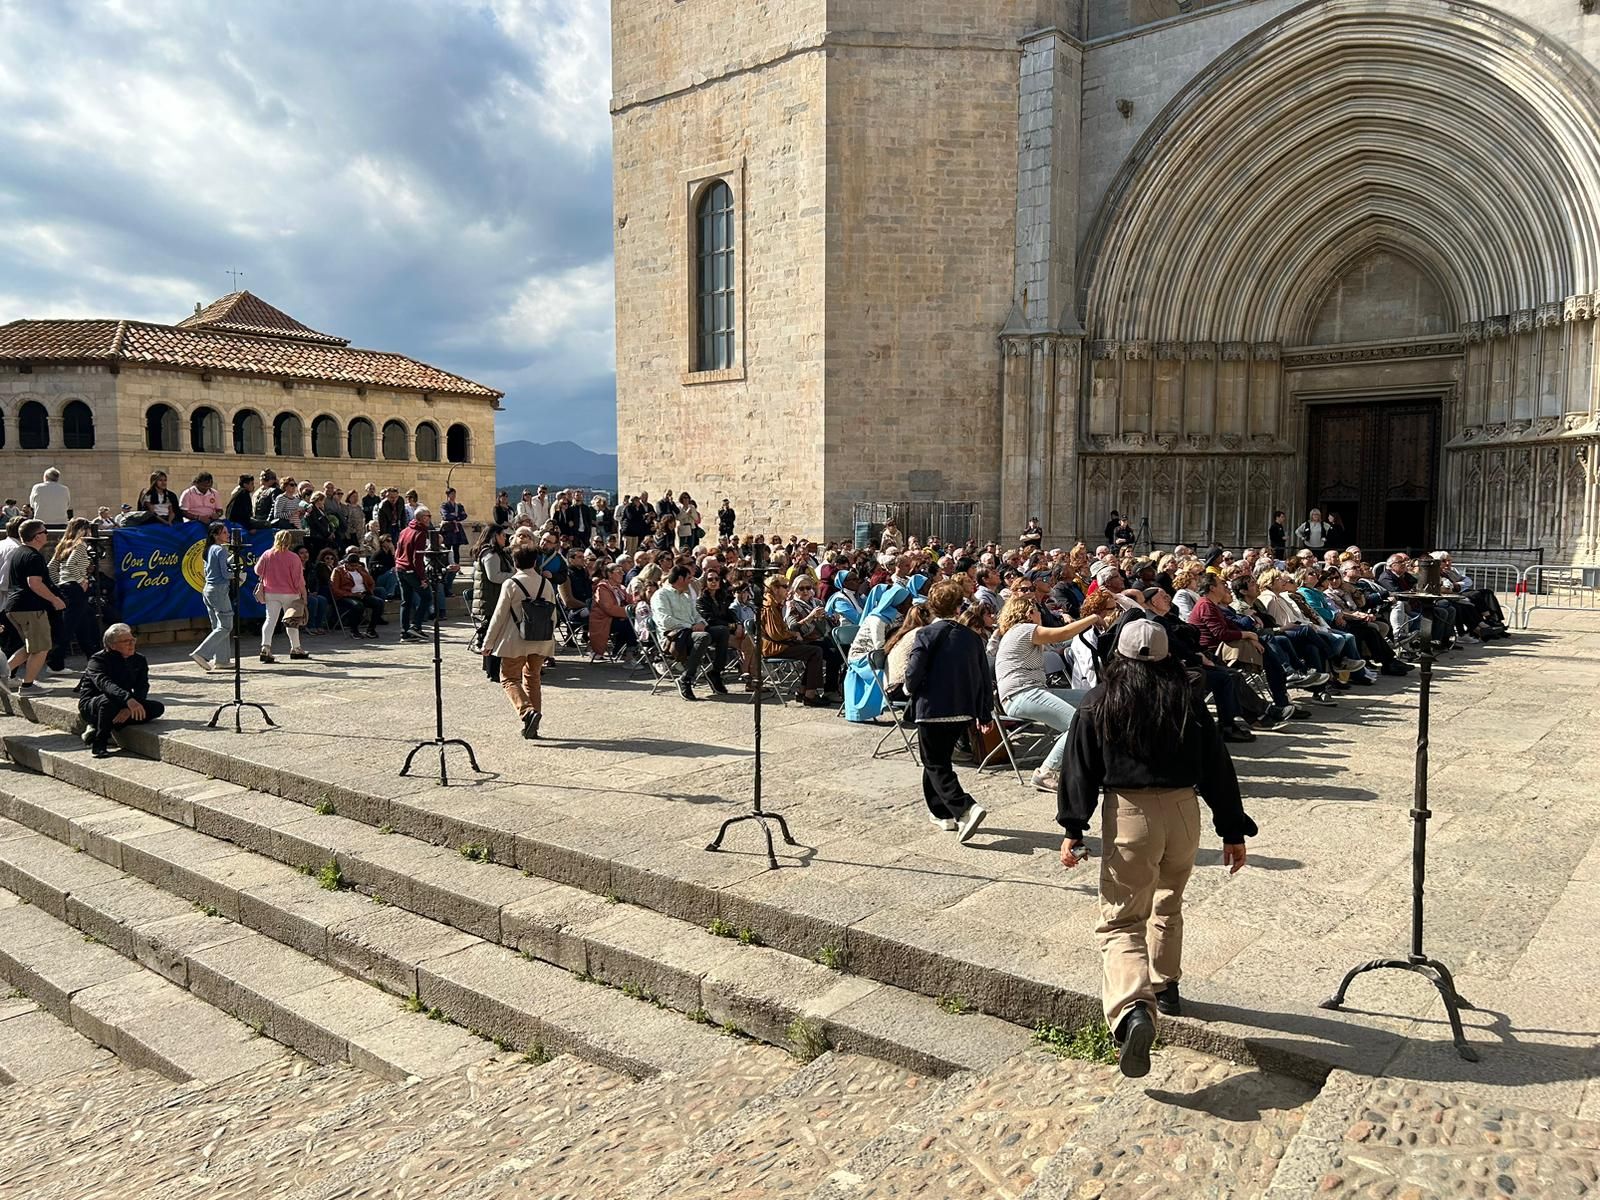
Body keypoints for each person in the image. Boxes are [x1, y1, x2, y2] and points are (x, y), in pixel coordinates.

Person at [1058, 619, 1255, 1078]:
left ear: (1119, 656)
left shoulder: (1097, 702)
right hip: (1185, 810)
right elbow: (1218, 768)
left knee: (1122, 918)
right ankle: (1166, 985)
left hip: (1130, 813)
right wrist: (1232, 830)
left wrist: (1073, 827)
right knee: (1169, 899)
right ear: (1168, 656)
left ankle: (1132, 1009)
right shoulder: (1187, 700)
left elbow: (1079, 767)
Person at [905, 580, 992, 841]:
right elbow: (983, 677)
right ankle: (941, 813)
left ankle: (965, 806)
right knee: (937, 760)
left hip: (932, 708)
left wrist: (909, 688)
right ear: (958, 607)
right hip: (963, 709)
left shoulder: (926, 635)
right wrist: (984, 711)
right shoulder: (972, 638)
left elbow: (913, 673)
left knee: (935, 762)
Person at [992, 594, 1105, 792]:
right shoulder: (1023, 629)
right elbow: (1062, 634)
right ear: (1028, 613)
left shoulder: (1019, 633)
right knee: (1076, 724)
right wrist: (1093, 617)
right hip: (1021, 694)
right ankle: (1046, 772)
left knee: (1096, 698)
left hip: (1033, 691)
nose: (1041, 615)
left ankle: (1097, 762)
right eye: (1038, 611)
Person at [481, 544, 557, 738]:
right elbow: (553, 615)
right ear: (535, 562)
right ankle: (534, 725)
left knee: (509, 678)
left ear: (515, 562)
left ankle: (527, 712)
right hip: (541, 638)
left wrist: (488, 643)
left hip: (516, 639)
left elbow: (499, 616)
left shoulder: (511, 583)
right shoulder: (545, 583)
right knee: (533, 678)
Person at [76, 624, 164, 758]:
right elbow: (106, 684)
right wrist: (128, 700)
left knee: (157, 708)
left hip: (123, 703)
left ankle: (102, 725)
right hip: (94, 703)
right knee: (108, 702)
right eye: (126, 641)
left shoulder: (139, 659)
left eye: (132, 640)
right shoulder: (98, 660)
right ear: (112, 645)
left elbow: (142, 686)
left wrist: (130, 707)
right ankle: (100, 743)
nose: (131, 644)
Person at [0, 520, 65, 693]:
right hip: (30, 607)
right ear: (36, 537)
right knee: (42, 647)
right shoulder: (33, 556)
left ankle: (2, 675)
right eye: (44, 532)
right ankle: (28, 686)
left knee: (31, 647)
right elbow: (34, 583)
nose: (47, 534)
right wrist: (54, 599)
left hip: (14, 607)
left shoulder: (18, 553)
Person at [652, 564, 730, 700]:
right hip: (673, 637)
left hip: (690, 633)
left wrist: (701, 623)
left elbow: (696, 615)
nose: (691, 581)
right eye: (689, 578)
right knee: (703, 636)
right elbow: (664, 620)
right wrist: (690, 626)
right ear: (680, 578)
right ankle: (686, 678)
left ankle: (715, 673)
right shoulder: (661, 595)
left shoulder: (686, 597)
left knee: (722, 631)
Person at [255, 530, 310, 663]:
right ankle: (296, 648)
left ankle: (265, 647)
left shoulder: (267, 554)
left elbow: (257, 570)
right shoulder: (293, 557)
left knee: (270, 620)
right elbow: (298, 580)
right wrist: (304, 594)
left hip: (271, 592)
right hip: (290, 593)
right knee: (292, 621)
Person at [470, 525, 513, 681]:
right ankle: (492, 671)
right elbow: (494, 576)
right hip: (490, 601)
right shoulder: (490, 554)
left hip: (491, 599)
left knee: (492, 635)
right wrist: (513, 575)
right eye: (503, 535)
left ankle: (490, 668)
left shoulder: (497, 553)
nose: (505, 538)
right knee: (494, 635)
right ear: (495, 536)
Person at [191, 522, 234, 671]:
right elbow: (224, 573)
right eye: (224, 533)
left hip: (208, 589)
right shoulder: (220, 550)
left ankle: (222, 660)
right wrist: (237, 575)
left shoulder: (209, 549)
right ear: (215, 535)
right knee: (226, 625)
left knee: (218, 626)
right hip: (219, 590)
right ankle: (201, 653)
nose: (227, 535)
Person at [395, 507, 435, 641]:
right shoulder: (420, 533)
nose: (429, 518)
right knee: (427, 596)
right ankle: (416, 626)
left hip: (400, 568)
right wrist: (422, 578)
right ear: (419, 518)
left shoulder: (405, 530)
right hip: (410, 570)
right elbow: (416, 558)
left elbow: (398, 551)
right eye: (427, 516)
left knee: (406, 601)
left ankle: (404, 633)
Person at [331, 548, 384, 637]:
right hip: (346, 596)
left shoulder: (361, 569)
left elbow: (371, 582)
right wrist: (352, 594)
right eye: (351, 566)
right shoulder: (338, 571)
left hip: (362, 594)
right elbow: (335, 589)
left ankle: (371, 630)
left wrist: (369, 591)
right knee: (358, 606)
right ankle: (354, 630)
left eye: (355, 566)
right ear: (346, 563)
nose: (354, 568)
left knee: (379, 603)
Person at [440, 488, 468, 564]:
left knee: (456, 549)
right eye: (452, 494)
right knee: (447, 548)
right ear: (448, 495)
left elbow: (464, 515)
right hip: (448, 528)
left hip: (456, 528)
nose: (453, 495)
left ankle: (457, 565)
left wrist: (455, 517)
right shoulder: (444, 505)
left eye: (454, 494)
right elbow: (445, 516)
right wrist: (456, 516)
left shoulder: (458, 506)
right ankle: (447, 565)